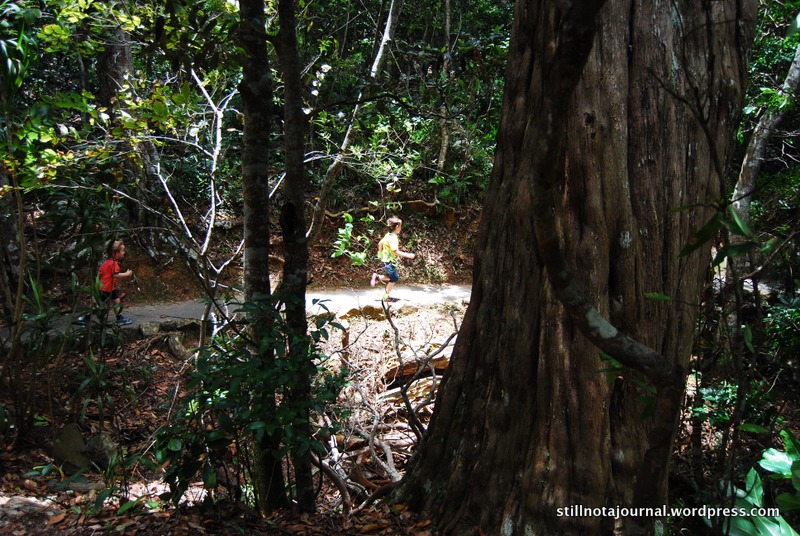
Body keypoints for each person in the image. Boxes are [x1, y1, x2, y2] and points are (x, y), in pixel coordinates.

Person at [370, 216, 415, 302]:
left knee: (391, 277)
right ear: (397, 226)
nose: (401, 228)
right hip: (390, 261)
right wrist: (408, 255)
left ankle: (378, 277)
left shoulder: (387, 235)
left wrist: (380, 254)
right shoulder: (393, 238)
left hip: (385, 260)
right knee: (394, 278)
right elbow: (395, 251)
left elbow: (380, 243)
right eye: (400, 226)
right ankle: (386, 297)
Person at [98, 239, 134, 325]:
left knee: (116, 301)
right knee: (99, 304)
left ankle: (119, 318)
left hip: (108, 287)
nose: (124, 252)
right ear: (116, 252)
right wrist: (127, 274)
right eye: (122, 251)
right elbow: (115, 274)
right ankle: (88, 318)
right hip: (106, 288)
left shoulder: (108, 262)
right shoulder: (113, 263)